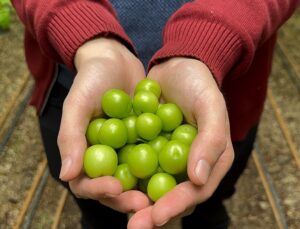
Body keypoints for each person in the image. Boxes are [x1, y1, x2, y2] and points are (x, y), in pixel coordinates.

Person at [11, 0, 300, 228]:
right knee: (97, 206)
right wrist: (78, 24)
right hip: (77, 81)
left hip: (220, 95)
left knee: (209, 196)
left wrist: (211, 38)